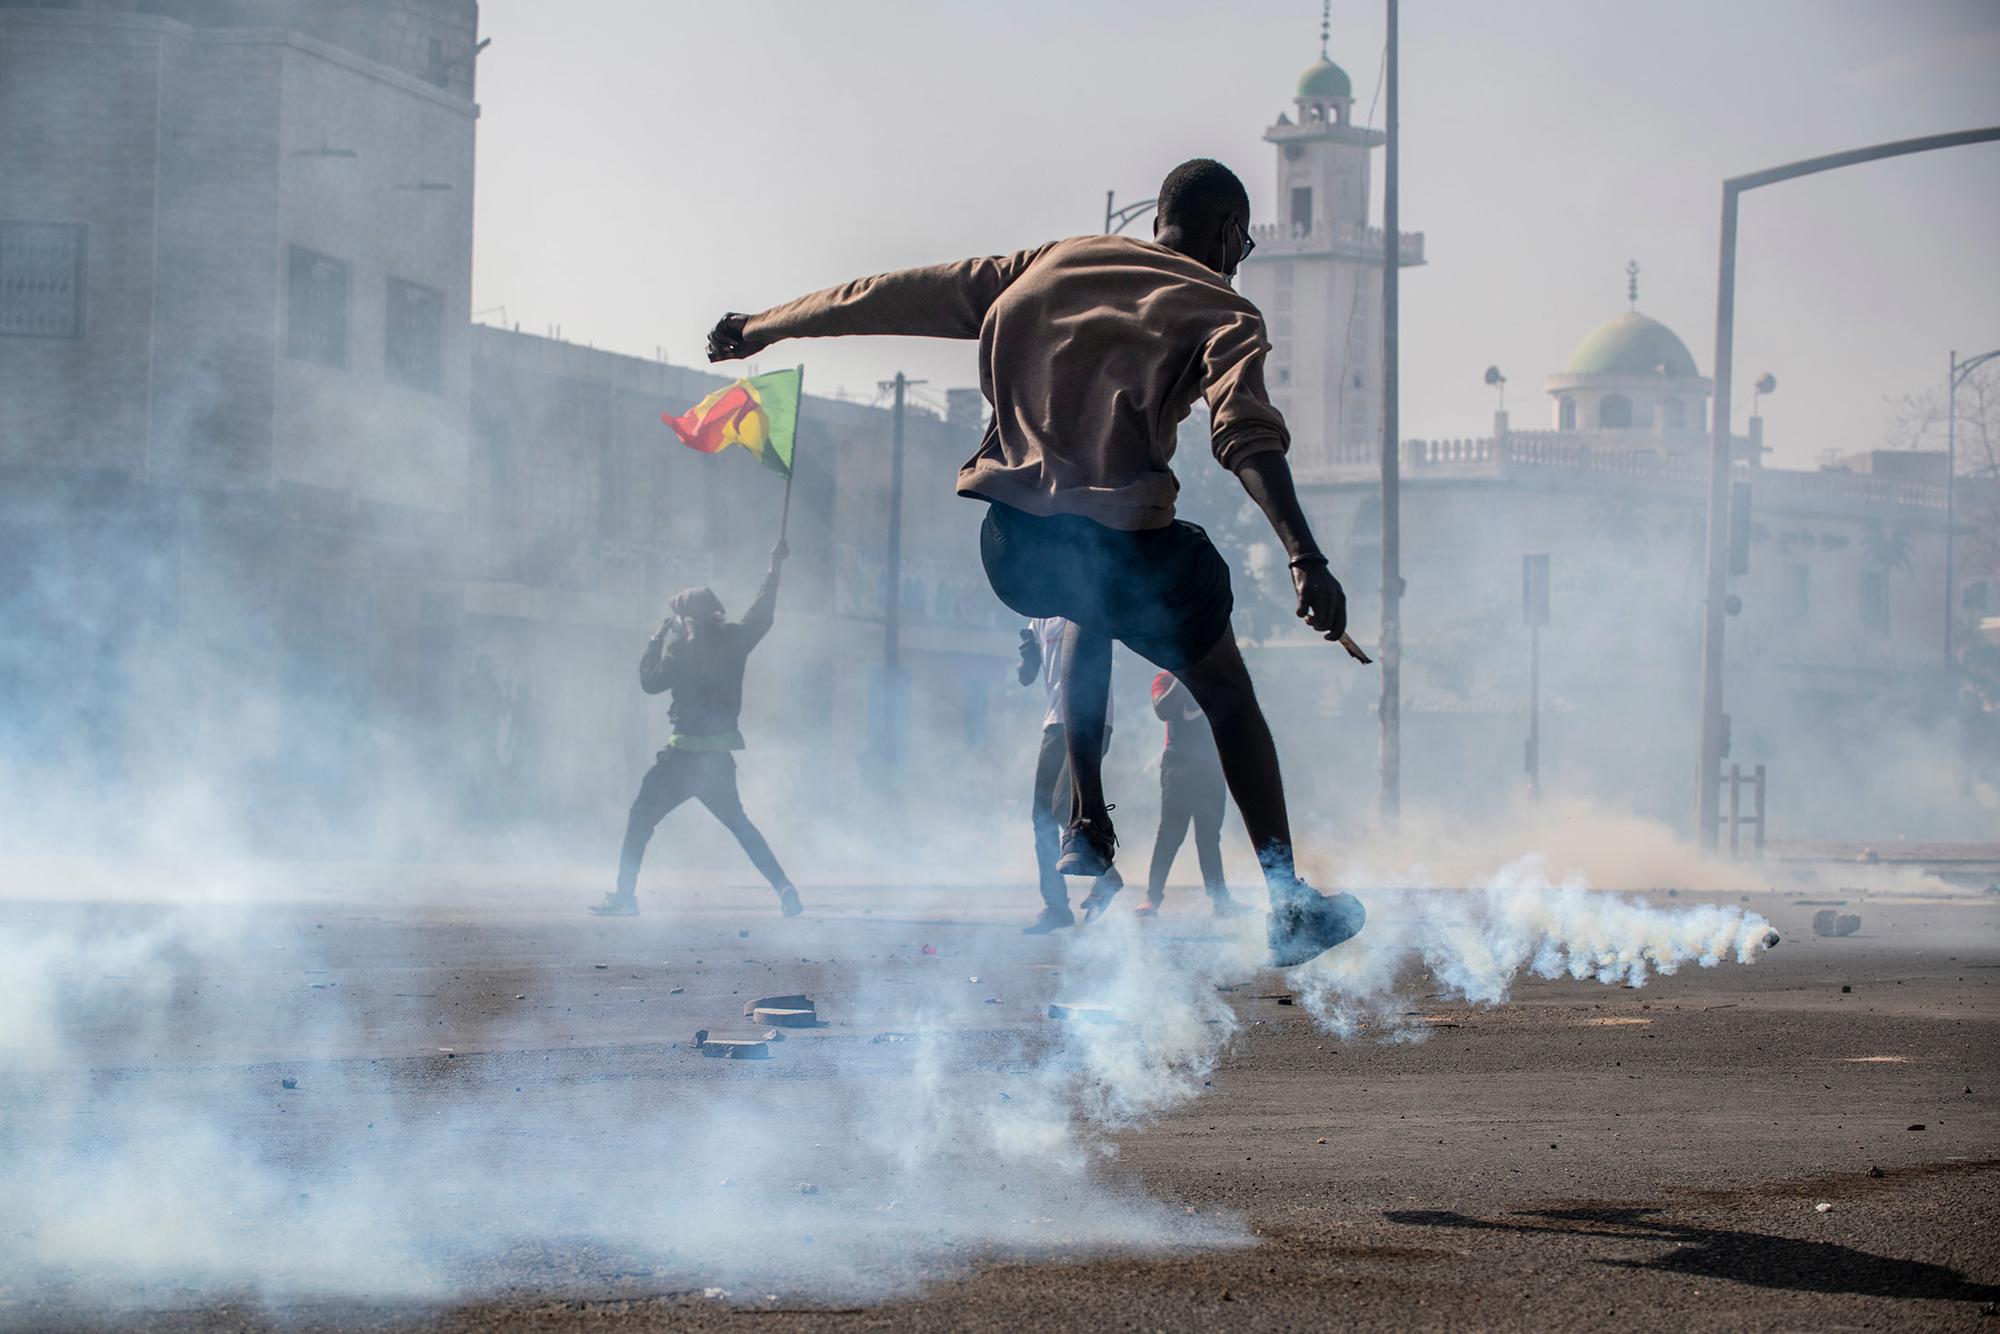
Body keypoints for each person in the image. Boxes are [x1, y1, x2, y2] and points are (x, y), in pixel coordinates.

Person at [704, 158, 1363, 966]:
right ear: (1228, 234)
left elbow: (880, 297)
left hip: (1012, 549)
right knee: (1223, 690)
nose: (1240, 258)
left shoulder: (1042, 264)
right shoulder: (1222, 305)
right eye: (1244, 243)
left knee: (1091, 598)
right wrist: (1305, 555)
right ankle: (1290, 904)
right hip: (1123, 544)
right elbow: (1247, 435)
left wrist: (762, 327)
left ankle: (1085, 813)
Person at [590, 541, 803, 919]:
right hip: (717, 759)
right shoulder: (736, 640)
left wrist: (655, 641)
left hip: (683, 757)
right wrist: (774, 570)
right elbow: (762, 615)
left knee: (641, 815)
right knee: (740, 825)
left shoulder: (681, 650)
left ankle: (625, 896)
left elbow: (649, 682)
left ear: (689, 618)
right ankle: (784, 887)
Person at [1017, 617, 1124, 933]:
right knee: (1042, 816)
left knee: (1064, 803)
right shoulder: (1038, 620)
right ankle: (1056, 907)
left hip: (1091, 719)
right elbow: (1025, 677)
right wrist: (1028, 655)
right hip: (1054, 723)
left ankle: (1107, 874)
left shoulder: (1084, 604)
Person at [1138, 671, 1248, 919]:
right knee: (1169, 835)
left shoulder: (1217, 677)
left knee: (1209, 838)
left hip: (1212, 768)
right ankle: (1152, 899)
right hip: (1178, 765)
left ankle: (1220, 901)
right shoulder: (1165, 679)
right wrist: (1184, 672)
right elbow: (1163, 710)